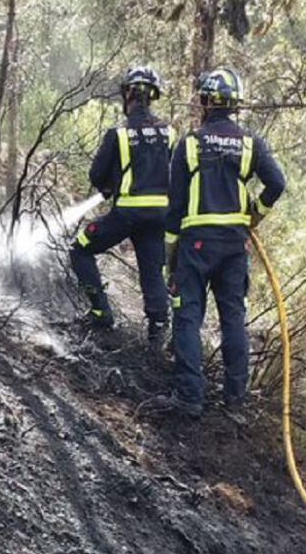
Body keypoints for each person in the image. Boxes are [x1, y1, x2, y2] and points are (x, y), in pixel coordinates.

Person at [157, 66, 286, 417]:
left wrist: (171, 258)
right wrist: (255, 214)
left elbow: (175, 207)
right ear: (234, 105)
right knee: (233, 318)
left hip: (196, 243)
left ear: (206, 102)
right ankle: (235, 400)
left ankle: (189, 397)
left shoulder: (190, 143)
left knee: (188, 316)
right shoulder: (250, 143)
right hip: (234, 245)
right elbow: (277, 183)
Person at [69, 64, 174, 354]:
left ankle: (101, 313)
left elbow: (95, 175)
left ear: (127, 93)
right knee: (152, 272)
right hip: (159, 216)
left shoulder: (119, 134)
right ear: (153, 96)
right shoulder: (169, 133)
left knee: (80, 249)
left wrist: (110, 184)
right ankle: (157, 333)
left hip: (127, 212)